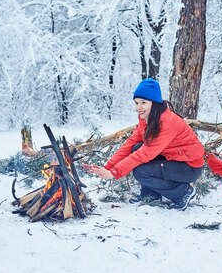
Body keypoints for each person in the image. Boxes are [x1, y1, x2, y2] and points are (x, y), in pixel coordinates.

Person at [83, 78, 204, 210]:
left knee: (141, 171)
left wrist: (115, 172)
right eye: (136, 103)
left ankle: (183, 193)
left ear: (154, 103)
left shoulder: (167, 122)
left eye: (143, 103)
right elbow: (131, 143)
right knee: (135, 148)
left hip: (188, 167)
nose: (138, 108)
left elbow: (146, 153)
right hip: (173, 159)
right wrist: (109, 167)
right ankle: (151, 195)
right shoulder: (147, 118)